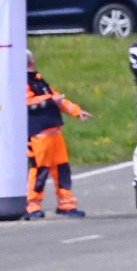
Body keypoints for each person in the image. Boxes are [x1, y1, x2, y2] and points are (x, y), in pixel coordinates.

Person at [25, 49, 92, 219]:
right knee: (40, 170)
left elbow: (59, 100)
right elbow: (27, 103)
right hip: (38, 134)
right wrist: (48, 100)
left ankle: (66, 204)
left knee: (62, 169)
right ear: (31, 62)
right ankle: (33, 207)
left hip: (54, 132)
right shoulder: (22, 82)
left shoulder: (39, 81)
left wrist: (77, 111)